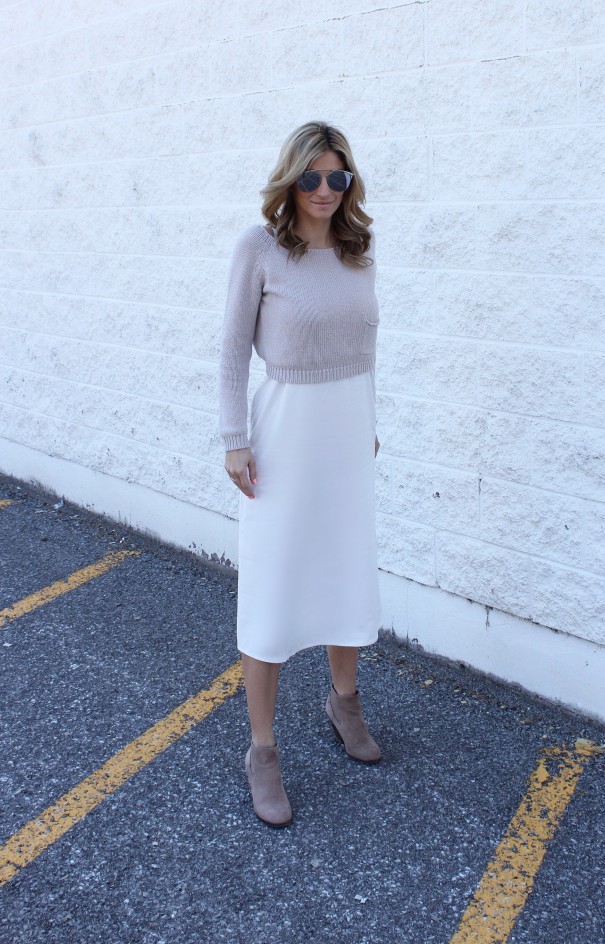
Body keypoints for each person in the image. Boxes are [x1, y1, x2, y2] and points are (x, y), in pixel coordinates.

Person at [218, 121, 382, 827]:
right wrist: (234, 440)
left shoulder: (357, 250)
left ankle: (344, 703)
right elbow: (232, 351)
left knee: (344, 572)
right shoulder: (259, 248)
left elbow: (366, 348)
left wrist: (368, 419)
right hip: (284, 436)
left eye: (336, 177)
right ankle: (262, 749)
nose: (324, 190)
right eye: (311, 177)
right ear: (290, 179)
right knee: (274, 587)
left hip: (345, 435)